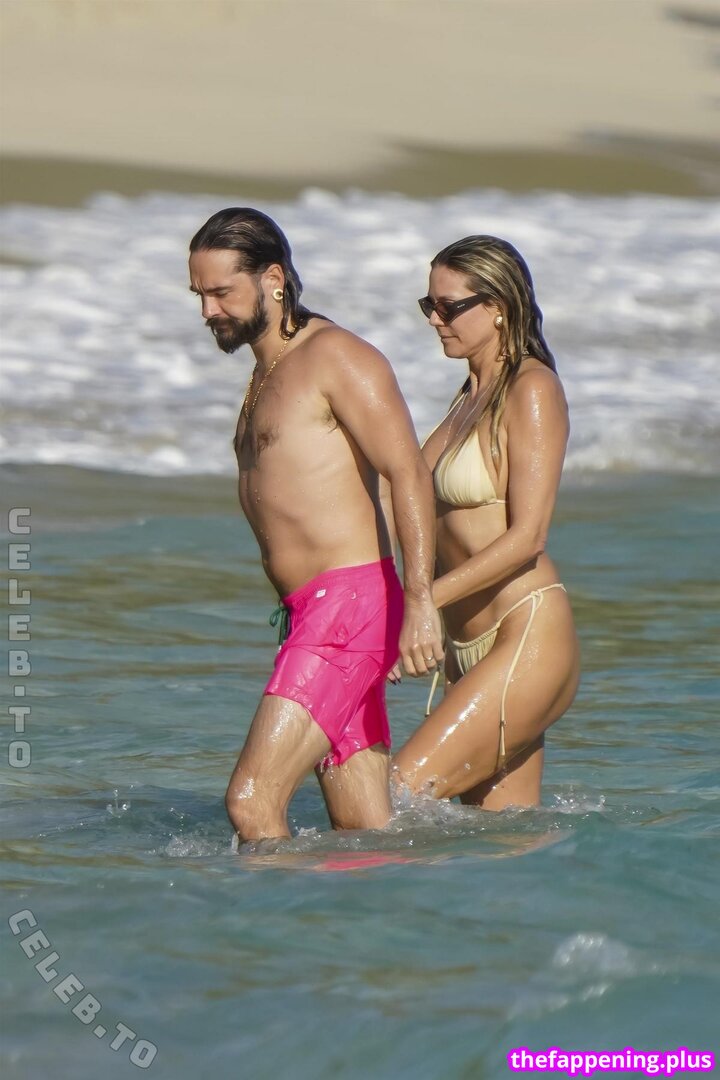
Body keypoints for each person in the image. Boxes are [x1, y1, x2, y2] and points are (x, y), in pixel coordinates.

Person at [188, 208, 443, 842]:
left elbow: (408, 473)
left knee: (252, 800)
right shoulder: (265, 373)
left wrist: (418, 603)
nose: (208, 311)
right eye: (199, 295)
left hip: (348, 609)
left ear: (273, 279)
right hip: (312, 614)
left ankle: (262, 913)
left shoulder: (336, 357)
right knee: (364, 835)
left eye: (221, 292)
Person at [392, 235, 580, 809]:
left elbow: (528, 537)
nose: (435, 320)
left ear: (497, 306)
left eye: (449, 307)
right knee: (497, 845)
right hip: (464, 645)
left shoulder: (532, 388)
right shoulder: (467, 396)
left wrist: (422, 602)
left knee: (392, 799)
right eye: (429, 306)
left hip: (524, 634)